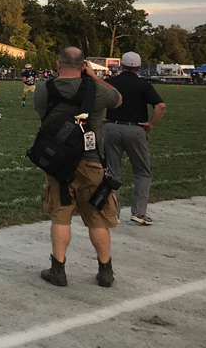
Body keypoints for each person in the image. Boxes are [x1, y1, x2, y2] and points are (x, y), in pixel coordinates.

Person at [34, 47, 122, 288]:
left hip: (57, 161)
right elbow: (118, 99)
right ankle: (105, 271)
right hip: (91, 159)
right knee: (97, 218)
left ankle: (58, 269)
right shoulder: (96, 90)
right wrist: (93, 77)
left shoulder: (44, 88)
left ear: (58, 63)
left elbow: (42, 115)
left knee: (60, 215)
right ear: (83, 65)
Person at [103, 51, 166, 226]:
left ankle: (112, 213)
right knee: (142, 172)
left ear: (121, 65)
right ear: (138, 67)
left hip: (111, 127)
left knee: (112, 172)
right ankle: (139, 212)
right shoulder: (143, 84)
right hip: (135, 129)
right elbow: (160, 106)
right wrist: (151, 124)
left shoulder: (110, 82)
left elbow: (95, 98)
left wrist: (101, 118)